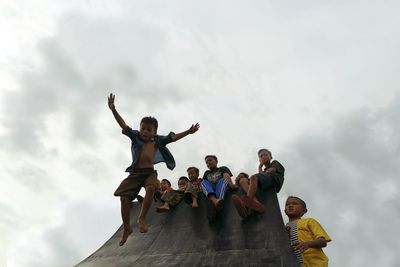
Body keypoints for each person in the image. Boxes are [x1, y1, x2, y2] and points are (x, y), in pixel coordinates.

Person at [108, 93, 200, 246]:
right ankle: (126, 228)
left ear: (154, 132)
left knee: (151, 188)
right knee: (123, 198)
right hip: (135, 173)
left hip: (149, 173)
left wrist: (188, 132)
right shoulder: (135, 136)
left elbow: (173, 138)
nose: (145, 131)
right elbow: (123, 124)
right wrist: (113, 110)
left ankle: (142, 218)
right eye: (143, 128)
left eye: (149, 129)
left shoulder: (158, 139)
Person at [284, 196, 331, 267]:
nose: (290, 205)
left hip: (314, 264)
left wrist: (307, 244)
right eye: (287, 204)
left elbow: (322, 241)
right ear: (284, 211)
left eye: (295, 203)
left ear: (304, 211)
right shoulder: (282, 228)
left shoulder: (309, 221)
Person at [240, 149, 285, 214]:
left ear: (271, 157)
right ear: (259, 160)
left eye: (266, 155)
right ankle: (255, 203)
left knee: (253, 177)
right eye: (261, 156)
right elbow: (261, 177)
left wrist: (260, 167)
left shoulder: (274, 162)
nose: (263, 157)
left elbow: (271, 170)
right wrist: (260, 166)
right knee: (243, 180)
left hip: (275, 180)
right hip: (266, 180)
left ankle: (246, 204)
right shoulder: (264, 171)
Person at [201, 155, 237, 220]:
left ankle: (219, 202)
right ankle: (215, 201)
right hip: (211, 189)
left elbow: (226, 176)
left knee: (223, 180)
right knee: (203, 182)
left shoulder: (222, 168)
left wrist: (231, 185)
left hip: (220, 186)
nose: (208, 163)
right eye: (206, 162)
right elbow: (205, 184)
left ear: (216, 161)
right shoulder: (207, 173)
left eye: (210, 160)